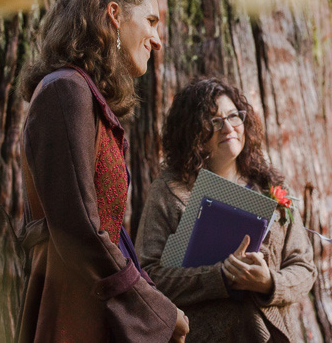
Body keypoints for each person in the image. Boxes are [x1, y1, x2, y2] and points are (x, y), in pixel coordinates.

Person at [17, 0, 189, 342]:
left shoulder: (83, 96)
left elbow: (109, 228)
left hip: (94, 303)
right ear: (114, 15)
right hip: (72, 311)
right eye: (151, 21)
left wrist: (152, 298)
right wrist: (156, 311)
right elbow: (79, 228)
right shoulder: (66, 91)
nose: (157, 39)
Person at [136, 77, 317, 342]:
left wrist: (269, 282)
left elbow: (304, 267)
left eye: (233, 116)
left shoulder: (270, 187)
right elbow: (148, 277)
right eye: (214, 121)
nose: (228, 128)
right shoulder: (168, 191)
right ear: (192, 131)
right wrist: (219, 277)